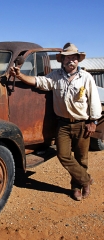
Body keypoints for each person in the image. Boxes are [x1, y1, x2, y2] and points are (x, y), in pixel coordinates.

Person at [9, 42, 102, 201]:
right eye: (67, 58)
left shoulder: (85, 77)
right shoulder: (55, 76)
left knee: (81, 157)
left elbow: (94, 99)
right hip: (63, 124)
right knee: (63, 155)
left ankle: (77, 187)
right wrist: (19, 76)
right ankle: (86, 180)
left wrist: (93, 121)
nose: (70, 61)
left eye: (74, 58)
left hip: (82, 123)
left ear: (78, 60)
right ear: (62, 60)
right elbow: (39, 81)